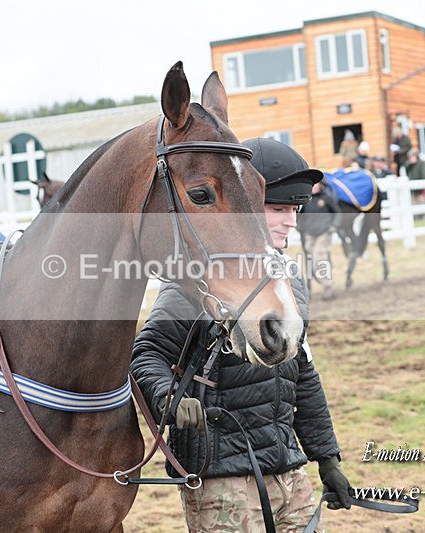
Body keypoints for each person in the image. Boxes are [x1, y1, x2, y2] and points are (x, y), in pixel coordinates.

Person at [131, 137, 351, 533]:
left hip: (288, 472)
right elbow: (147, 353)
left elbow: (303, 373)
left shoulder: (291, 282)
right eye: (279, 210)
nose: (291, 222)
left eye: (295, 210)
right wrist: (168, 397)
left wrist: (327, 458)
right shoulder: (198, 285)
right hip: (222, 480)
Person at [299, 178, 342, 300]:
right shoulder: (306, 199)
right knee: (311, 261)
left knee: (319, 259)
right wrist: (301, 228)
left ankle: (328, 288)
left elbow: (337, 212)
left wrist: (334, 226)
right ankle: (321, 284)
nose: (314, 187)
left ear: (320, 185)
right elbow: (299, 215)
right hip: (309, 234)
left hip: (324, 233)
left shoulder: (327, 197)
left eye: (316, 184)